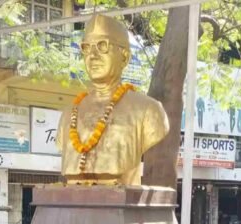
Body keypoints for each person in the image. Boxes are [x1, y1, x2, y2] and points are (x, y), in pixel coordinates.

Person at [56, 15, 169, 185]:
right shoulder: (68, 114)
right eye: (86, 47)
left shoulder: (148, 110)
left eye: (102, 46)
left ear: (124, 57)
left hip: (121, 197)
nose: (93, 55)